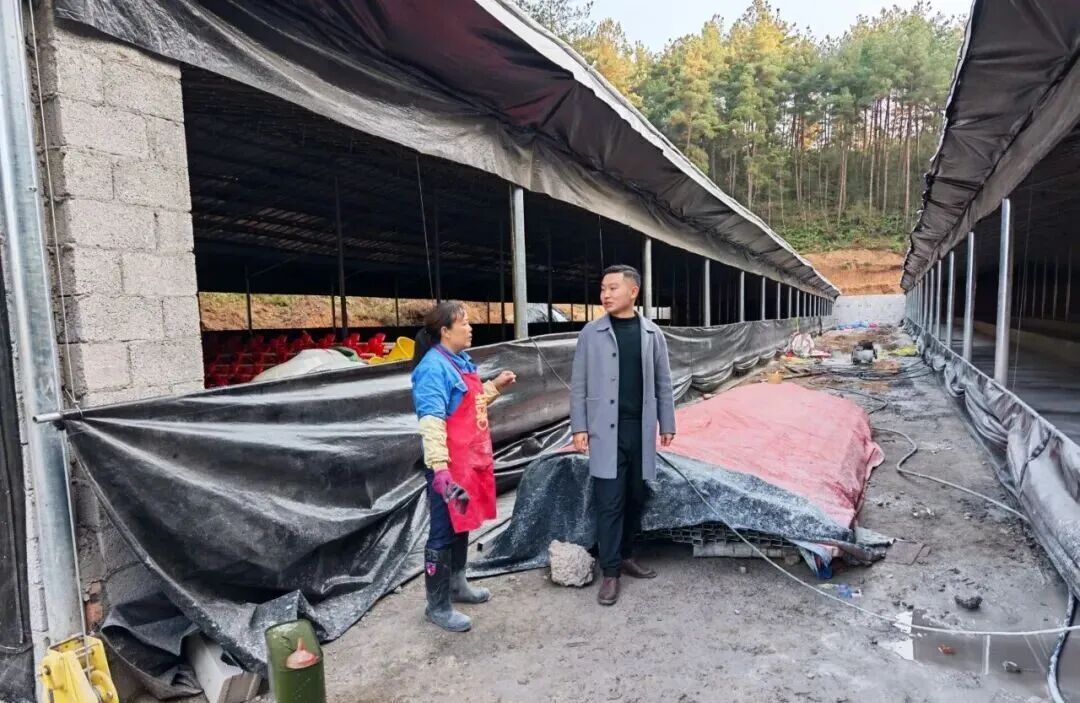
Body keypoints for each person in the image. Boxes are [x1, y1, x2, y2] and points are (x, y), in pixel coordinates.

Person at [570, 265, 676, 606]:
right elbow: (579, 384)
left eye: (613, 288)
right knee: (609, 500)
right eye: (603, 288)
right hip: (605, 431)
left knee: (635, 496)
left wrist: (667, 422)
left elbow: (663, 382)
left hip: (639, 429)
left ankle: (627, 555)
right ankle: (611, 571)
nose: (605, 294)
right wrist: (579, 427)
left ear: (633, 291)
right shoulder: (591, 333)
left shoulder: (652, 334)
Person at [411, 301, 516, 632]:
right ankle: (437, 605)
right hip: (447, 469)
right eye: (464, 322)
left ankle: (457, 584)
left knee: (462, 524)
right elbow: (431, 422)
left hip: (467, 464)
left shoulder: (459, 362)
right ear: (445, 331)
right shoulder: (433, 369)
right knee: (443, 532)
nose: (470, 328)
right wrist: (440, 472)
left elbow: (471, 403)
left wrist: (495, 386)